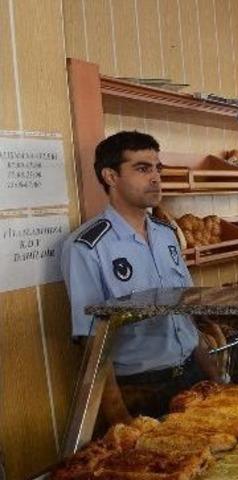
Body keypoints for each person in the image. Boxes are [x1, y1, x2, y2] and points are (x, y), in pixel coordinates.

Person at [61, 131, 222, 425]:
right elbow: (92, 341)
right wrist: (119, 416)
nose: (156, 178)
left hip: (192, 375)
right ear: (111, 176)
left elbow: (185, 314)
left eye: (157, 168)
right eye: (142, 168)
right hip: (140, 390)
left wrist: (214, 374)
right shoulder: (87, 247)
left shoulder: (167, 234)